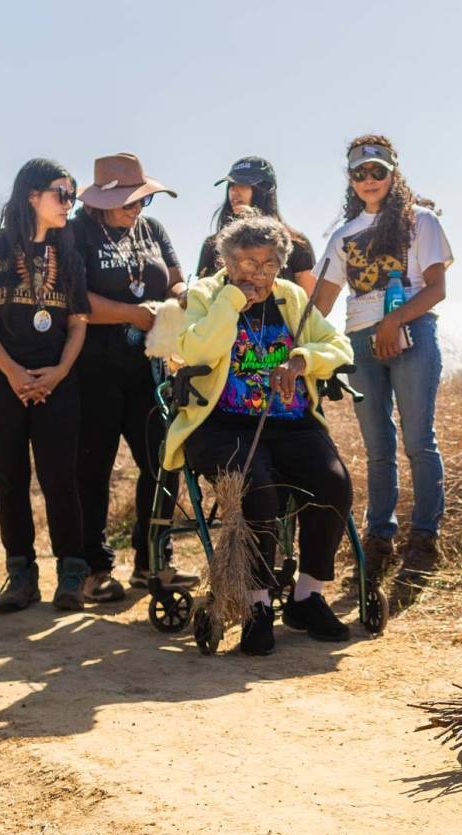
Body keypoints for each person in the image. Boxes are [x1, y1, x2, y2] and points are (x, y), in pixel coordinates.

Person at [159, 213, 355, 655]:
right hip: (221, 423)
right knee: (257, 487)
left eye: (268, 264)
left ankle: (307, 597)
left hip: (290, 422)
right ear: (227, 261)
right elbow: (195, 349)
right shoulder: (208, 295)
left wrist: (303, 358)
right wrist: (231, 301)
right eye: (247, 263)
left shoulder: (291, 297)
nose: (258, 274)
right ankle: (257, 604)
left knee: (333, 482)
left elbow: (338, 346)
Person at [311, 135, 453, 606]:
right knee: (377, 447)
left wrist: (393, 321)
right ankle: (379, 538)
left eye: (378, 171)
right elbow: (322, 303)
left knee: (418, 440)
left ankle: (425, 540)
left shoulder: (421, 222)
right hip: (360, 342)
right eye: (360, 173)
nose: (370, 180)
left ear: (393, 173)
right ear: (350, 180)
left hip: (411, 334)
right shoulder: (343, 235)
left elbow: (435, 289)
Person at [0, 159, 92, 613]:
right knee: (10, 477)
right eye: (62, 193)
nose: (69, 203)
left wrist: (58, 373)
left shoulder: (69, 255)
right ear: (32, 195)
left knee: (62, 477)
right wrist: (13, 371)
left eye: (72, 194)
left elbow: (77, 325)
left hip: (57, 380)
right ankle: (20, 575)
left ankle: (72, 575)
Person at [71, 153, 196, 601]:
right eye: (128, 201)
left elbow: (175, 280)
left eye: (142, 200)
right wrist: (130, 314)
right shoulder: (76, 233)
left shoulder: (152, 230)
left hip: (150, 369)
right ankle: (94, 569)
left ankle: (153, 562)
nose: (137, 208)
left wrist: (186, 298)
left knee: (164, 461)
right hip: (92, 369)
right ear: (100, 200)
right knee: (93, 468)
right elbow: (74, 299)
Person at [194, 156, 317, 295]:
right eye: (231, 185)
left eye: (243, 185)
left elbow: (311, 307)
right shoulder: (213, 244)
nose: (234, 192)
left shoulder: (297, 244)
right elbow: (200, 302)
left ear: (265, 190)